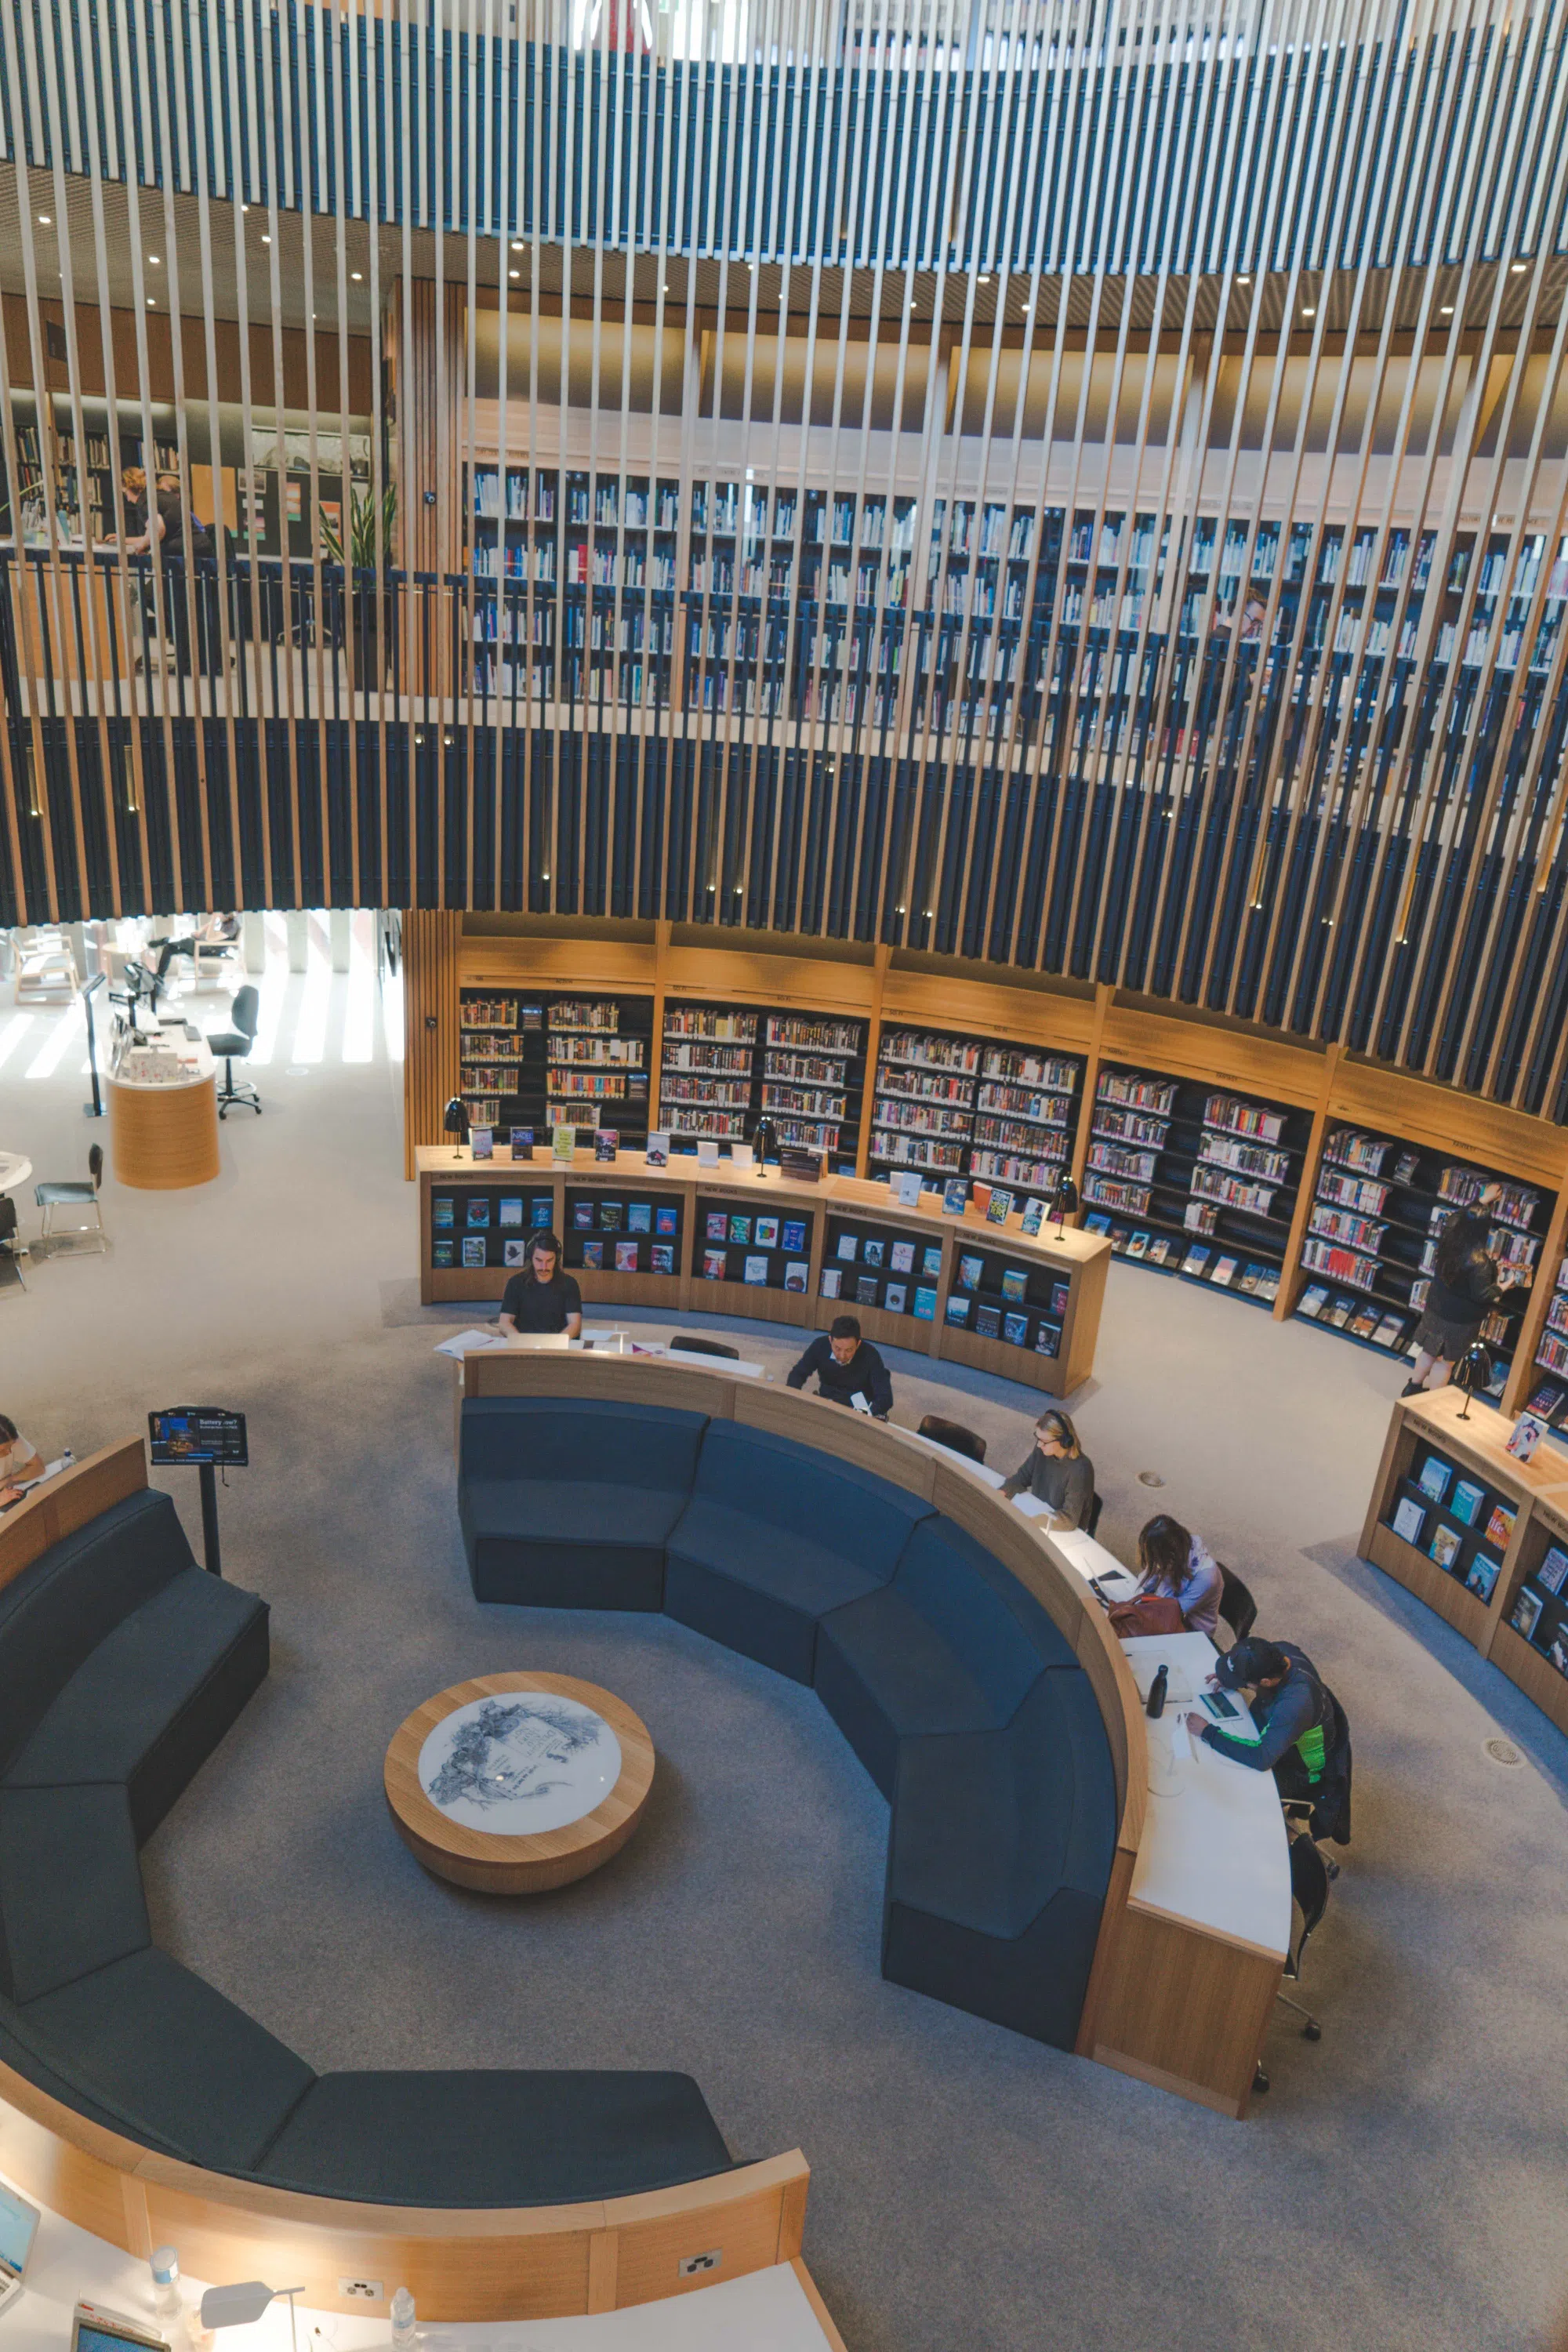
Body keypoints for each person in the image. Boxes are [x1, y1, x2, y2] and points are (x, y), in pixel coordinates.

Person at [1185, 1635, 1352, 1842]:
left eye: (1245, 1682)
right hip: (1278, 1733)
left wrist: (1208, 1733)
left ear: (1265, 1682)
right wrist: (1228, 1679)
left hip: (1301, 1771)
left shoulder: (1296, 1704)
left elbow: (1262, 1758)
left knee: (1225, 1786)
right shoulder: (1280, 1651)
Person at [1403, 1188, 1520, 1396]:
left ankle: (1413, 1386)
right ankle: (1432, 1400)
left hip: (1437, 1306)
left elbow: (1456, 1217)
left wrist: (1481, 1200)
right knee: (1446, 1362)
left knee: (1429, 1350)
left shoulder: (1449, 1237)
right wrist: (1503, 1285)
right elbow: (1484, 1295)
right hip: (1460, 1320)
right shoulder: (1480, 1262)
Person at [1000, 1407, 1094, 1528]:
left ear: (1064, 1441)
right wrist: (1002, 1491)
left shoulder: (1080, 1470)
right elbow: (1022, 1476)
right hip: (1039, 1514)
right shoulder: (1042, 1449)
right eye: (1038, 1438)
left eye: (1044, 1441)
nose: (1039, 1445)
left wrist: (1032, 1521)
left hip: (1062, 1528)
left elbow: (1069, 1519)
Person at [1133, 1512, 1223, 1637]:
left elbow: (1171, 1611)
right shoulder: (1181, 1549)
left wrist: (1162, 1573)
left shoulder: (1206, 1578)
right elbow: (1144, 1585)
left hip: (1195, 1635)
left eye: (1156, 1559)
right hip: (1177, 1617)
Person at [786, 1315, 893, 1417]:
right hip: (829, 1397)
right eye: (837, 1348)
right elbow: (798, 1373)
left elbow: (885, 1397)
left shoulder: (871, 1355)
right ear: (830, 1340)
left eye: (849, 1350)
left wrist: (867, 1414)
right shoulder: (820, 1346)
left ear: (858, 1344)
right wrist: (792, 1398)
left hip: (859, 1404)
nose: (842, 1356)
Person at [498, 1230, 582, 1338]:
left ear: (556, 1259)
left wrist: (557, 1343)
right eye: (539, 1260)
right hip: (524, 1344)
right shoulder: (515, 1283)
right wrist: (520, 1341)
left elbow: (575, 1324)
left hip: (557, 1345)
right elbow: (504, 1323)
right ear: (531, 1258)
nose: (543, 1267)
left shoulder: (569, 1284)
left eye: (549, 1260)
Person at [0, 1415, 45, 1508]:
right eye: (2, 1450)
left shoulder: (8, 1435)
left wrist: (8, 1480)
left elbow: (38, 1467)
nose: (9, 1452)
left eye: (11, 1446)